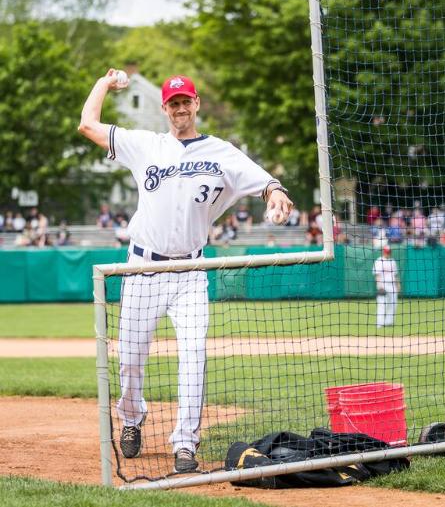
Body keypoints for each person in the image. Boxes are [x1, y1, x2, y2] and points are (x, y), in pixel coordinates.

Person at [78, 70, 293, 473]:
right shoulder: (146, 145)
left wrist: (277, 193)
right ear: (164, 109)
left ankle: (185, 444)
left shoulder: (219, 151)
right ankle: (131, 417)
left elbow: (265, 181)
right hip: (143, 266)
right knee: (131, 359)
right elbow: (87, 124)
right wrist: (104, 84)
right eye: (173, 102)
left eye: (186, 101)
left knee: (193, 354)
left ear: (196, 105)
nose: (180, 107)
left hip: (192, 269)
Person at [372, 245, 400, 329]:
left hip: (392, 285)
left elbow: (395, 275)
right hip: (383, 285)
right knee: (382, 304)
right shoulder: (379, 261)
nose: (387, 253)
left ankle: (389, 322)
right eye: (386, 252)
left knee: (393, 304)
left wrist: (398, 285)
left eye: (389, 252)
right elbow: (377, 275)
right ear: (383, 252)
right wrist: (380, 286)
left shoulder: (392, 261)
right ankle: (379, 323)